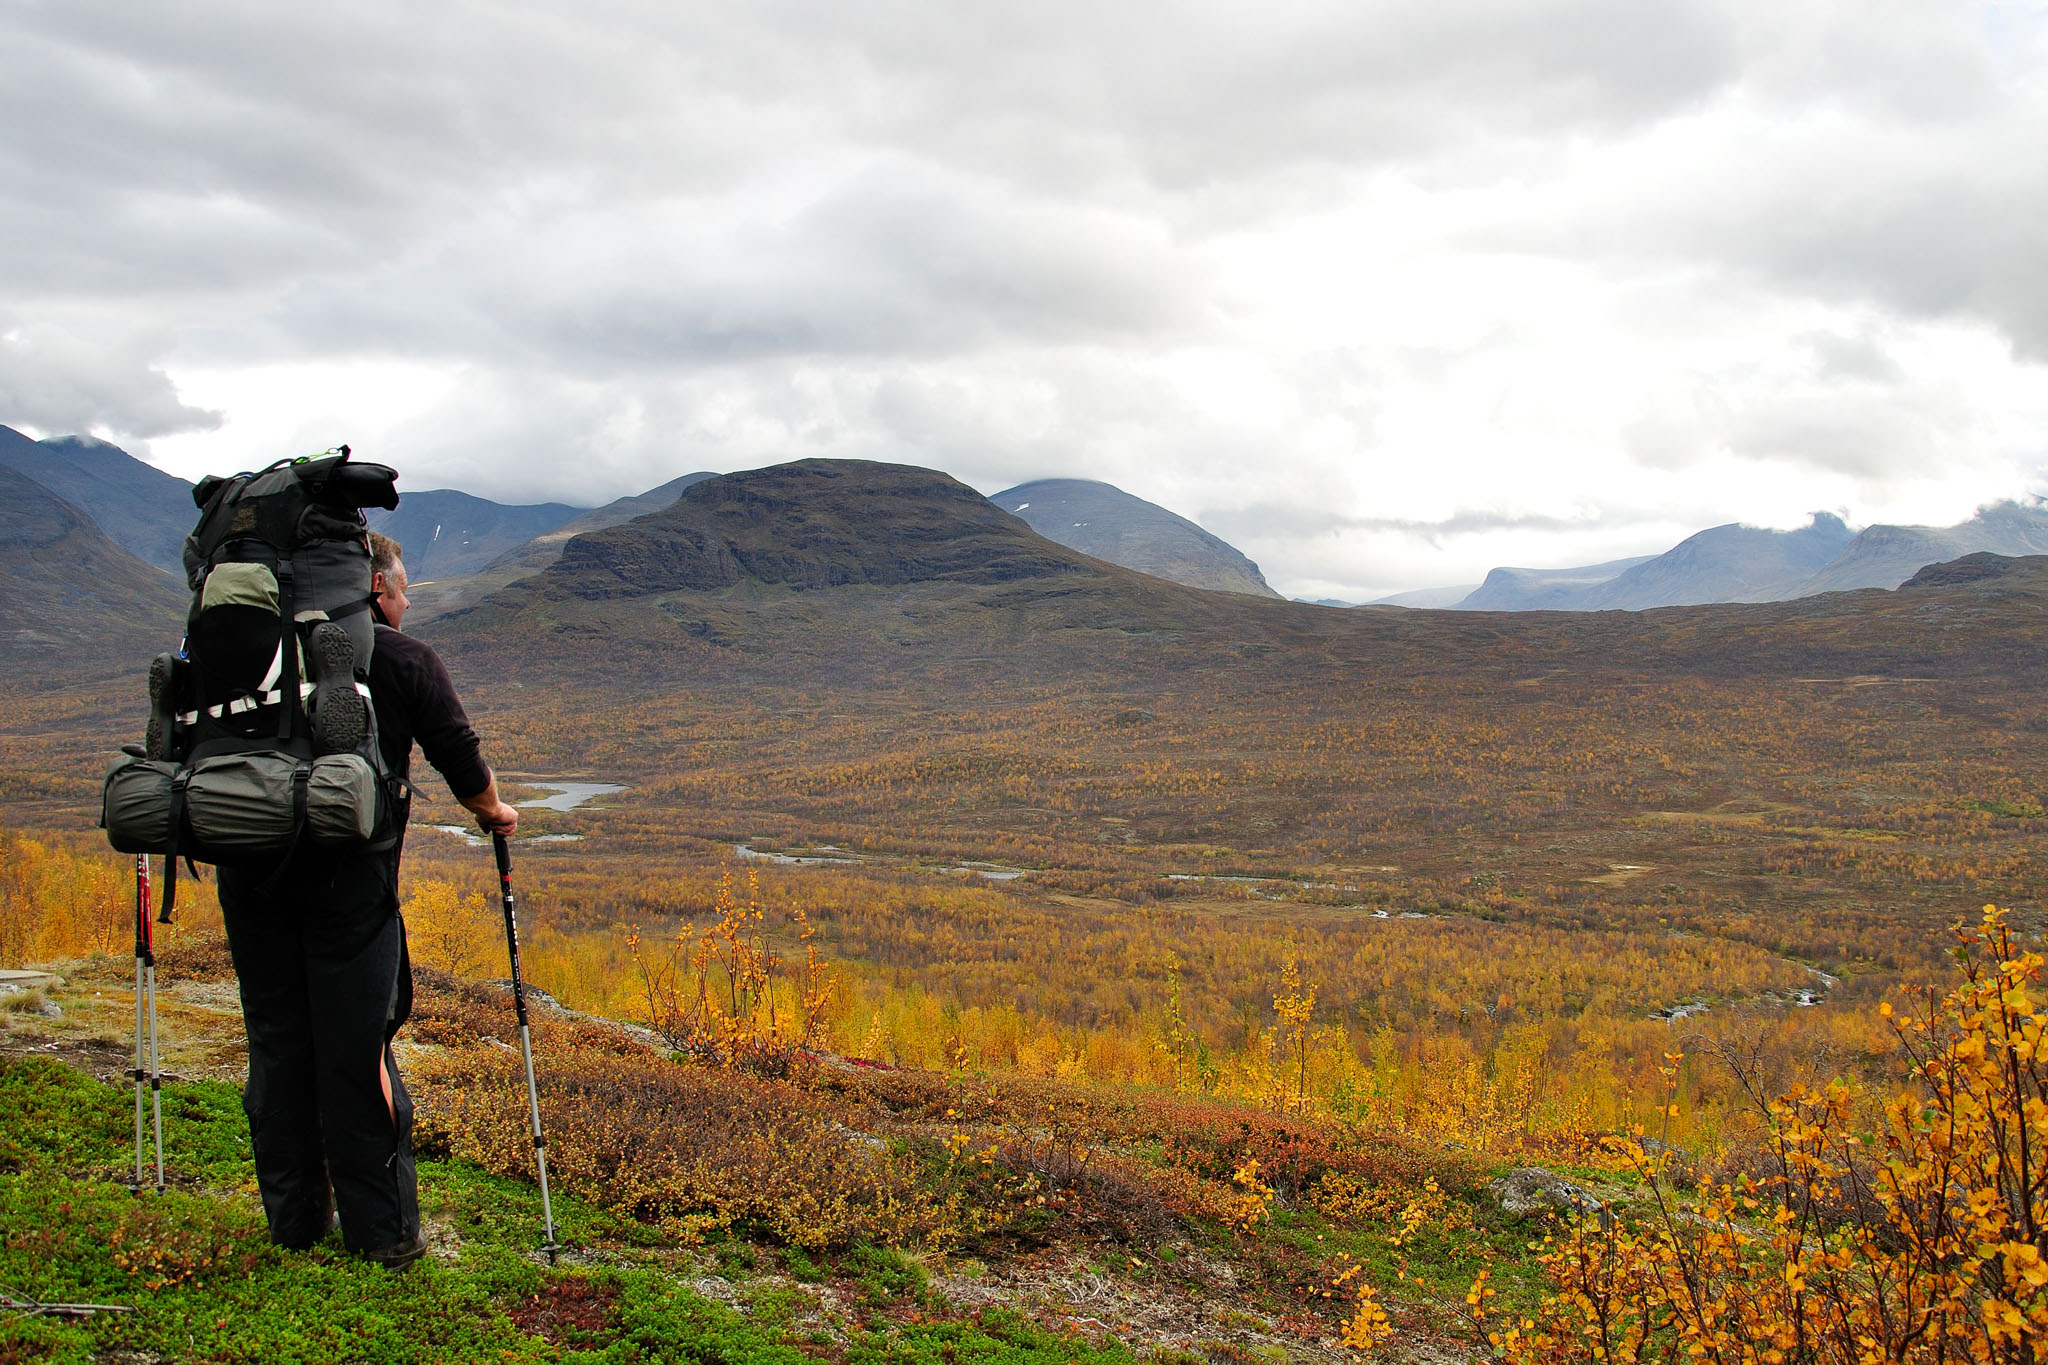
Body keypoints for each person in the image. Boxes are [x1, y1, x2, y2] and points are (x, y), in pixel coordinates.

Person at [216, 530, 517, 1268]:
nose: (408, 599)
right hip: (350, 885)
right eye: (404, 587)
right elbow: (462, 759)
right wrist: (495, 812)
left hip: (246, 872)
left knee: (278, 1044)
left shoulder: (240, 652)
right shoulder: (402, 658)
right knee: (356, 1053)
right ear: (374, 589)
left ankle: (293, 1226)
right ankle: (382, 1239)